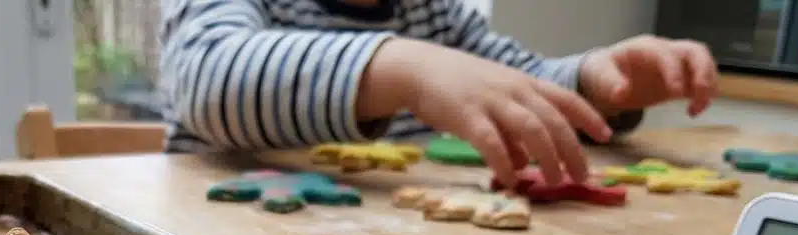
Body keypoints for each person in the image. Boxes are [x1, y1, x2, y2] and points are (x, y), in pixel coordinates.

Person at [158, 0, 717, 189]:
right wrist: (408, 69)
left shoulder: (435, 13)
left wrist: (598, 80)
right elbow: (205, 80)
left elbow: (521, 86)